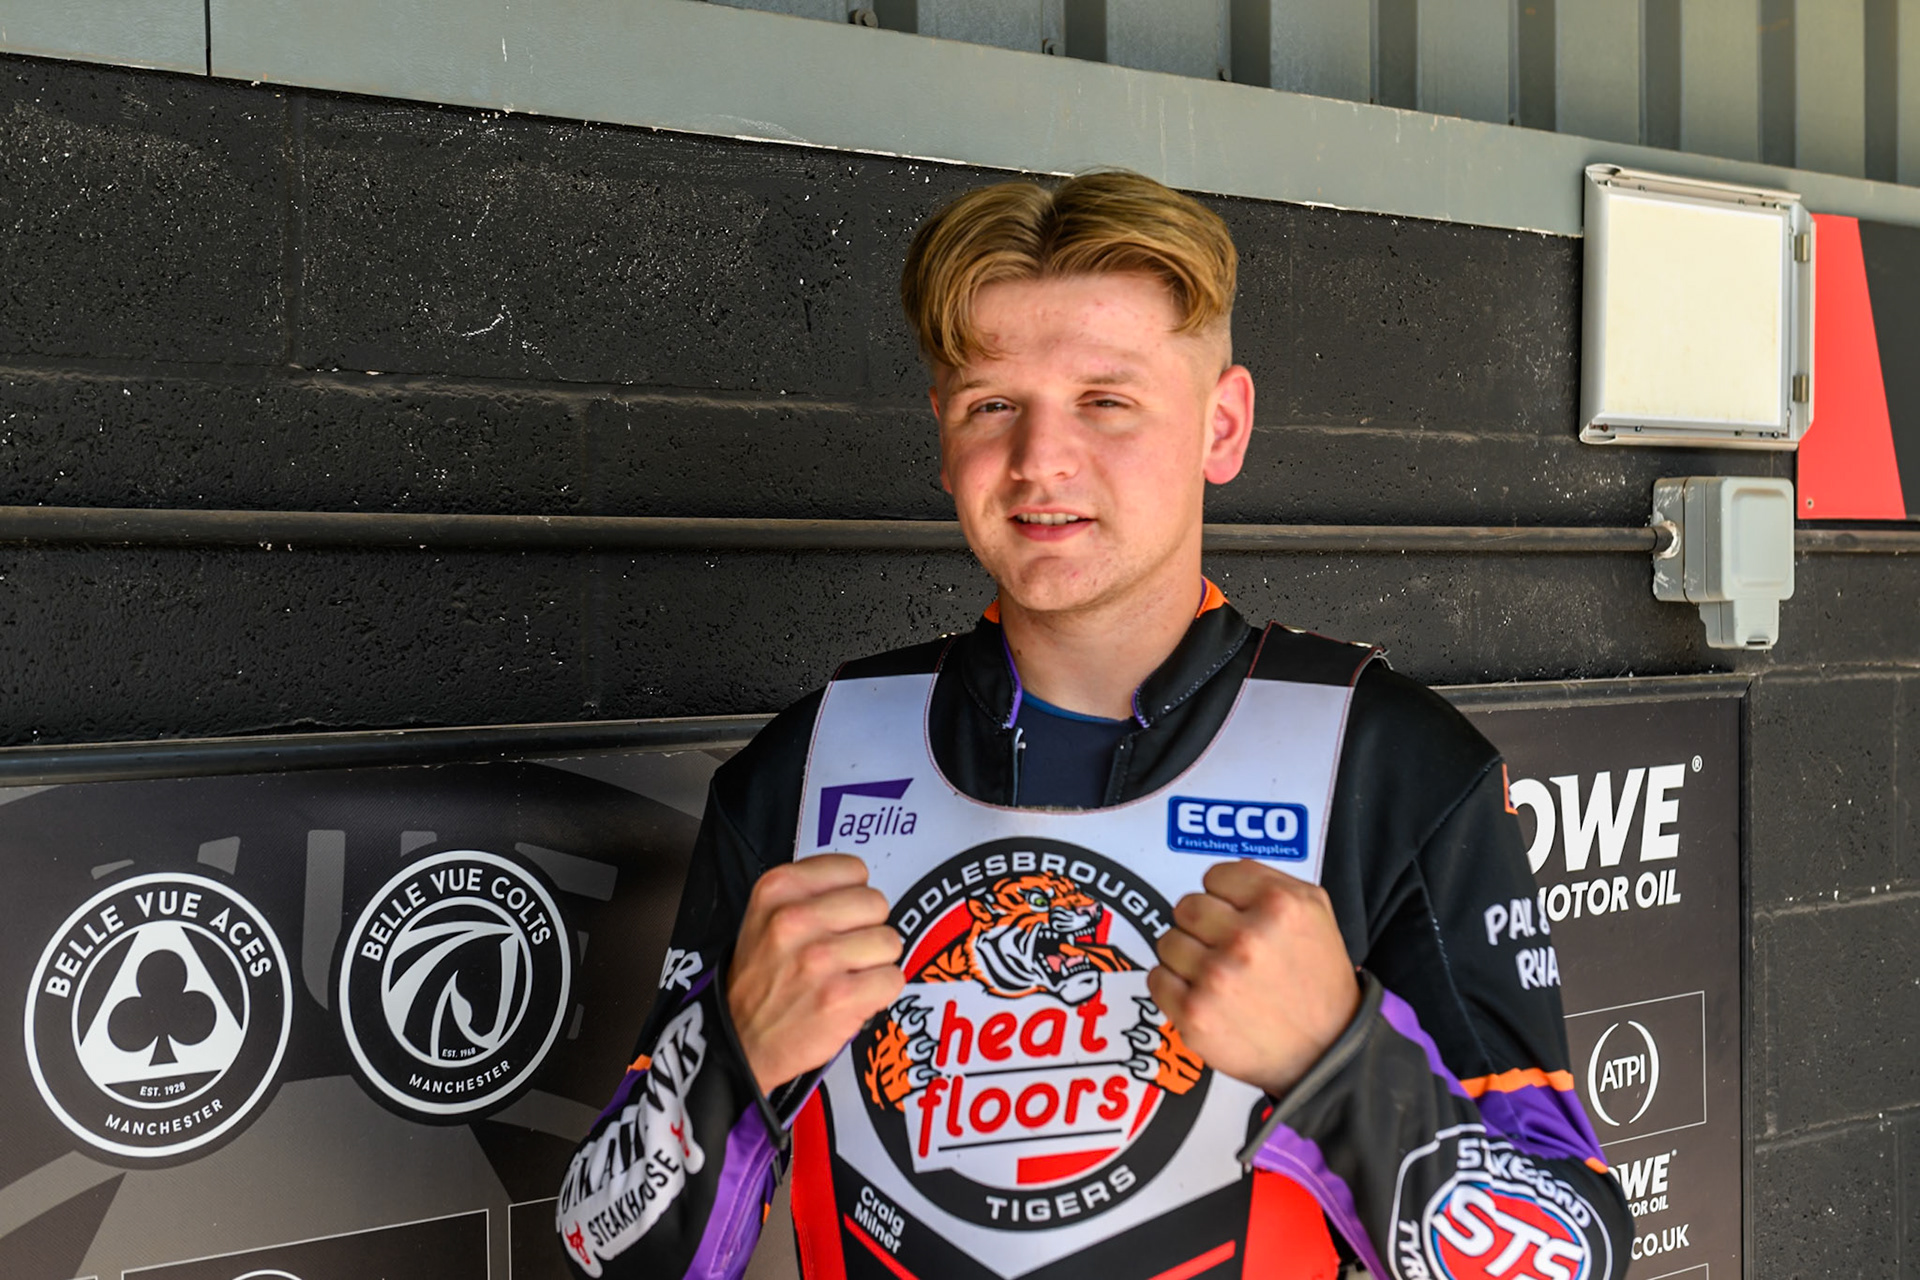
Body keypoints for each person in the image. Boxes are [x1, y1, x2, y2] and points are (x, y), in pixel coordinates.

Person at [556, 170, 1632, 1280]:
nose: (1041, 459)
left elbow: (1569, 1255)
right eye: (992, 405)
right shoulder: (812, 763)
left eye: (1106, 400)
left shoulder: (1388, 763)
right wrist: (729, 1057)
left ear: (1221, 425)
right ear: (944, 437)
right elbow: (600, 1243)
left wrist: (1341, 1060)